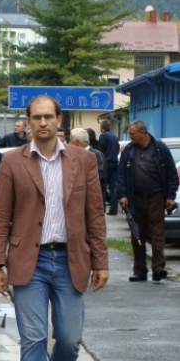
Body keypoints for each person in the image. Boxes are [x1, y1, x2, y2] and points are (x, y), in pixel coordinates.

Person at [0, 95, 109, 361]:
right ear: (28, 122)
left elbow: (94, 212)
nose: (42, 122)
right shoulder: (12, 161)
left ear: (59, 121)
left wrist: (101, 260)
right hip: (30, 261)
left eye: (48, 117)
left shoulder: (84, 161)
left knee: (69, 341)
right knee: (33, 339)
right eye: (36, 117)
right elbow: (1, 215)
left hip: (71, 260)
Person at [117, 119, 178, 282]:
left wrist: (171, 196)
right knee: (137, 234)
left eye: (132, 133)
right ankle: (140, 270)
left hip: (156, 198)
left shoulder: (160, 149)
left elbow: (172, 173)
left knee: (157, 234)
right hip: (135, 198)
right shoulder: (128, 150)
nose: (130, 136)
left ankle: (158, 269)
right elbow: (121, 174)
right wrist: (122, 195)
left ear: (142, 133)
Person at [70, 128, 107, 202]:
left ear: (76, 142)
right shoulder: (73, 155)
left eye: (70, 140)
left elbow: (101, 176)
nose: (69, 143)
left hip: (93, 198)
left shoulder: (96, 155)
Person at [98, 120, 120, 215]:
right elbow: (118, 148)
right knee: (113, 187)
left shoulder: (103, 136)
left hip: (106, 163)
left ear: (102, 127)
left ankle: (101, 208)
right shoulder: (115, 136)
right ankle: (114, 209)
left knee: (102, 186)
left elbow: (101, 150)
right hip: (114, 162)